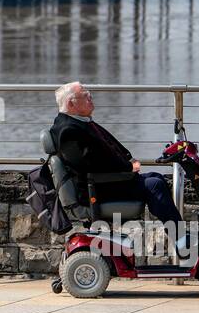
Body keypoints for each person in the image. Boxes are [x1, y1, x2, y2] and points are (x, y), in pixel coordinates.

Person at [50, 81, 182, 230]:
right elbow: (88, 166)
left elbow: (103, 150)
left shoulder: (76, 122)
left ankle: (179, 234)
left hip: (105, 183)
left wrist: (127, 160)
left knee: (157, 177)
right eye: (86, 96)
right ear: (71, 103)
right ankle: (183, 241)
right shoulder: (68, 130)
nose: (90, 98)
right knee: (154, 185)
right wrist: (127, 167)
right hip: (96, 189)